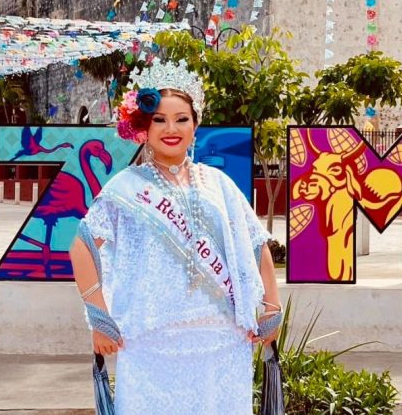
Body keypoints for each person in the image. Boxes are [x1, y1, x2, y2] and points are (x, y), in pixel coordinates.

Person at [69, 60, 281, 414]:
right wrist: (99, 318)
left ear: (195, 125)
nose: (172, 128)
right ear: (144, 127)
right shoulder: (126, 186)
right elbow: (82, 247)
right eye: (160, 119)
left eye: (182, 119)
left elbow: (257, 245)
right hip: (151, 345)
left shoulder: (218, 184)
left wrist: (272, 308)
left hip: (222, 342)